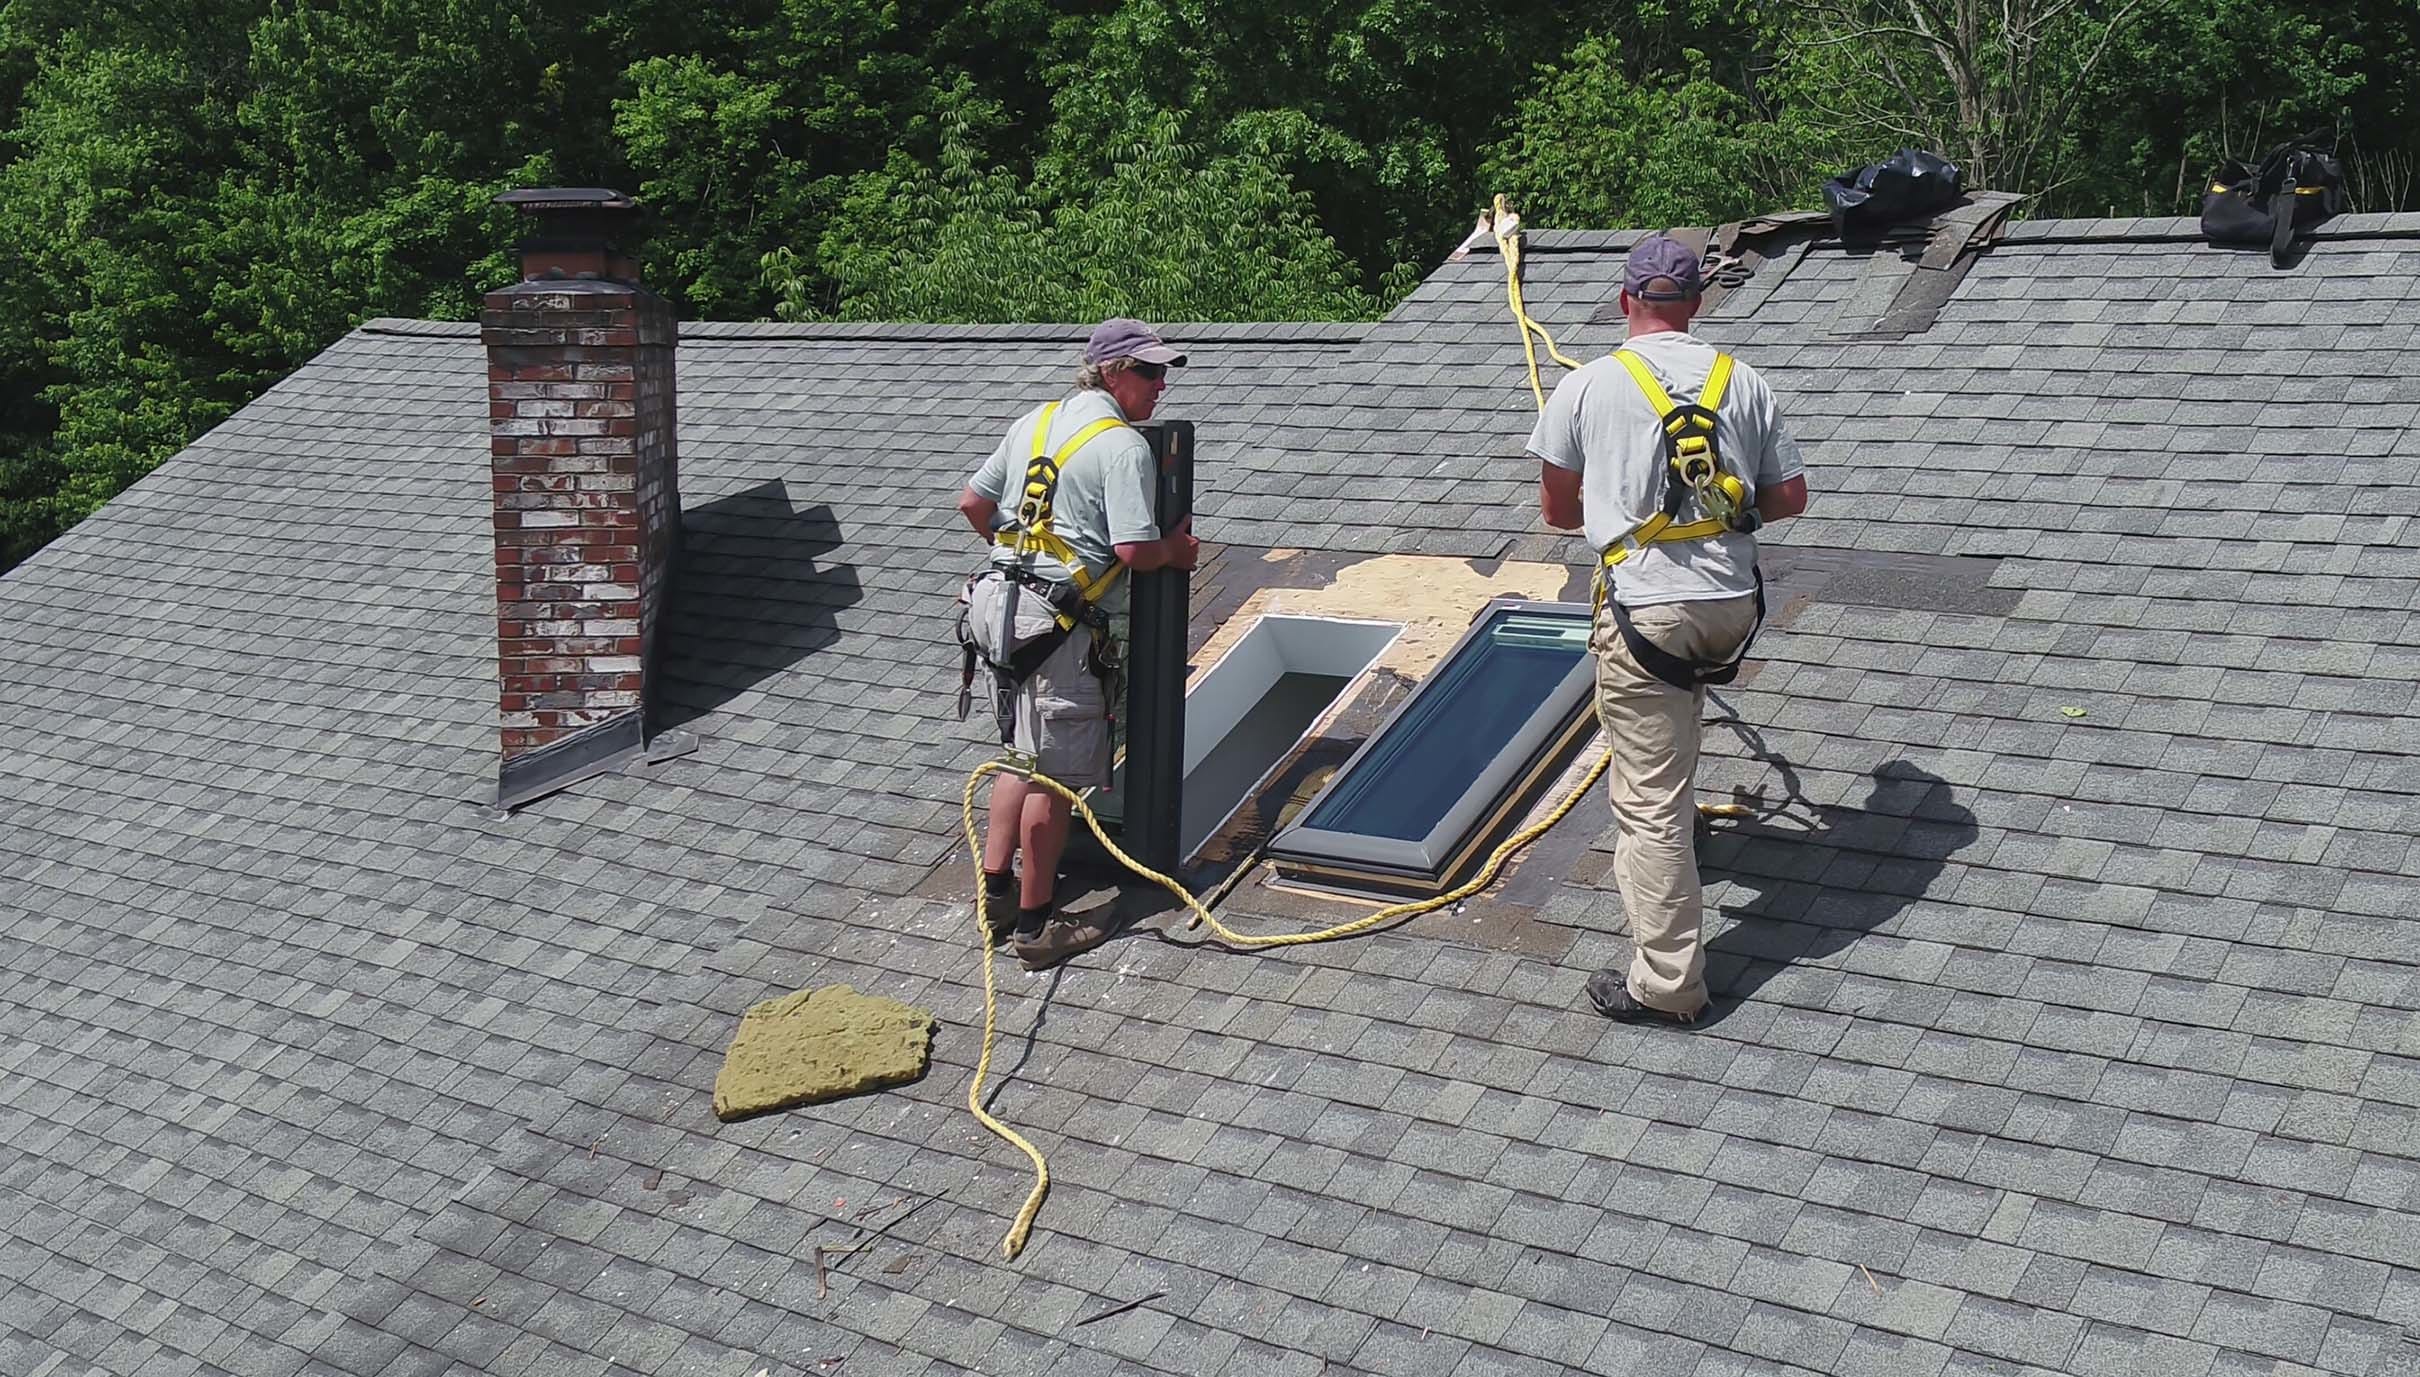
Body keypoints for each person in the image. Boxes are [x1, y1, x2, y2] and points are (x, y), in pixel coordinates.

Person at [1527, 234, 1811, 1025]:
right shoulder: (1742, 380)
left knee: (1646, 803)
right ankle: (1681, 840)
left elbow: (1556, 513)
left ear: (1626, 302)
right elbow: (1789, 497)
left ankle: (1668, 985)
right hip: (1731, 606)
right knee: (1676, 725)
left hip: (1647, 612)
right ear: (1695, 305)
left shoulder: (1586, 387)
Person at [956, 319, 1200, 969]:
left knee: (1019, 754)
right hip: (1057, 627)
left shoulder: (1034, 422)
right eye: (1149, 372)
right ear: (1113, 372)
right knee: (1056, 780)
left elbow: (973, 505)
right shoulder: (1122, 446)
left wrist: (1018, 562)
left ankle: (997, 894)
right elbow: (1132, 550)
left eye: (1163, 371)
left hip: (1000, 611)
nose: (1161, 384)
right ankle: (1036, 927)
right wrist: (1174, 550)